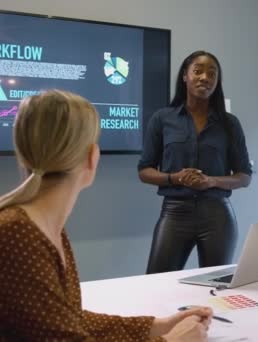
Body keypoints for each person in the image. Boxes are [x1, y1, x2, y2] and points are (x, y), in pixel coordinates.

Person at [0, 90, 212, 340]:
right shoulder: (18, 234)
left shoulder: (39, 226)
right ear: (93, 157)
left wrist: (156, 326)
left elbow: (69, 320)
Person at [138, 50, 252, 274]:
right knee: (156, 281)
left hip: (217, 215)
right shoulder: (163, 119)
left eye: (212, 73)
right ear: (184, 76)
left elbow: (244, 176)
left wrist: (211, 181)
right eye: (198, 71)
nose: (205, 78)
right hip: (175, 212)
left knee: (215, 287)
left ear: (217, 81)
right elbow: (144, 170)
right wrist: (175, 178)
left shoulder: (229, 123)